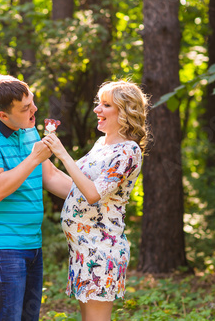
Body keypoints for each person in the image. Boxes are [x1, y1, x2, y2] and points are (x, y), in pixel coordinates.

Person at [42, 80, 149, 321]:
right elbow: (67, 185)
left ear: (125, 112)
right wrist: (36, 147)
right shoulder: (102, 145)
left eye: (106, 105)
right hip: (82, 249)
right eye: (98, 103)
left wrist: (61, 153)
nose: (97, 110)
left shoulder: (127, 151)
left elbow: (92, 194)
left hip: (102, 251)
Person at [0, 74, 71, 321]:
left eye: (32, 102)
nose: (34, 109)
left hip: (32, 245)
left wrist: (96, 195)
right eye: (26, 108)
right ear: (3, 115)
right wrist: (34, 157)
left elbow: (50, 176)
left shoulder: (29, 130)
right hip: (3, 248)